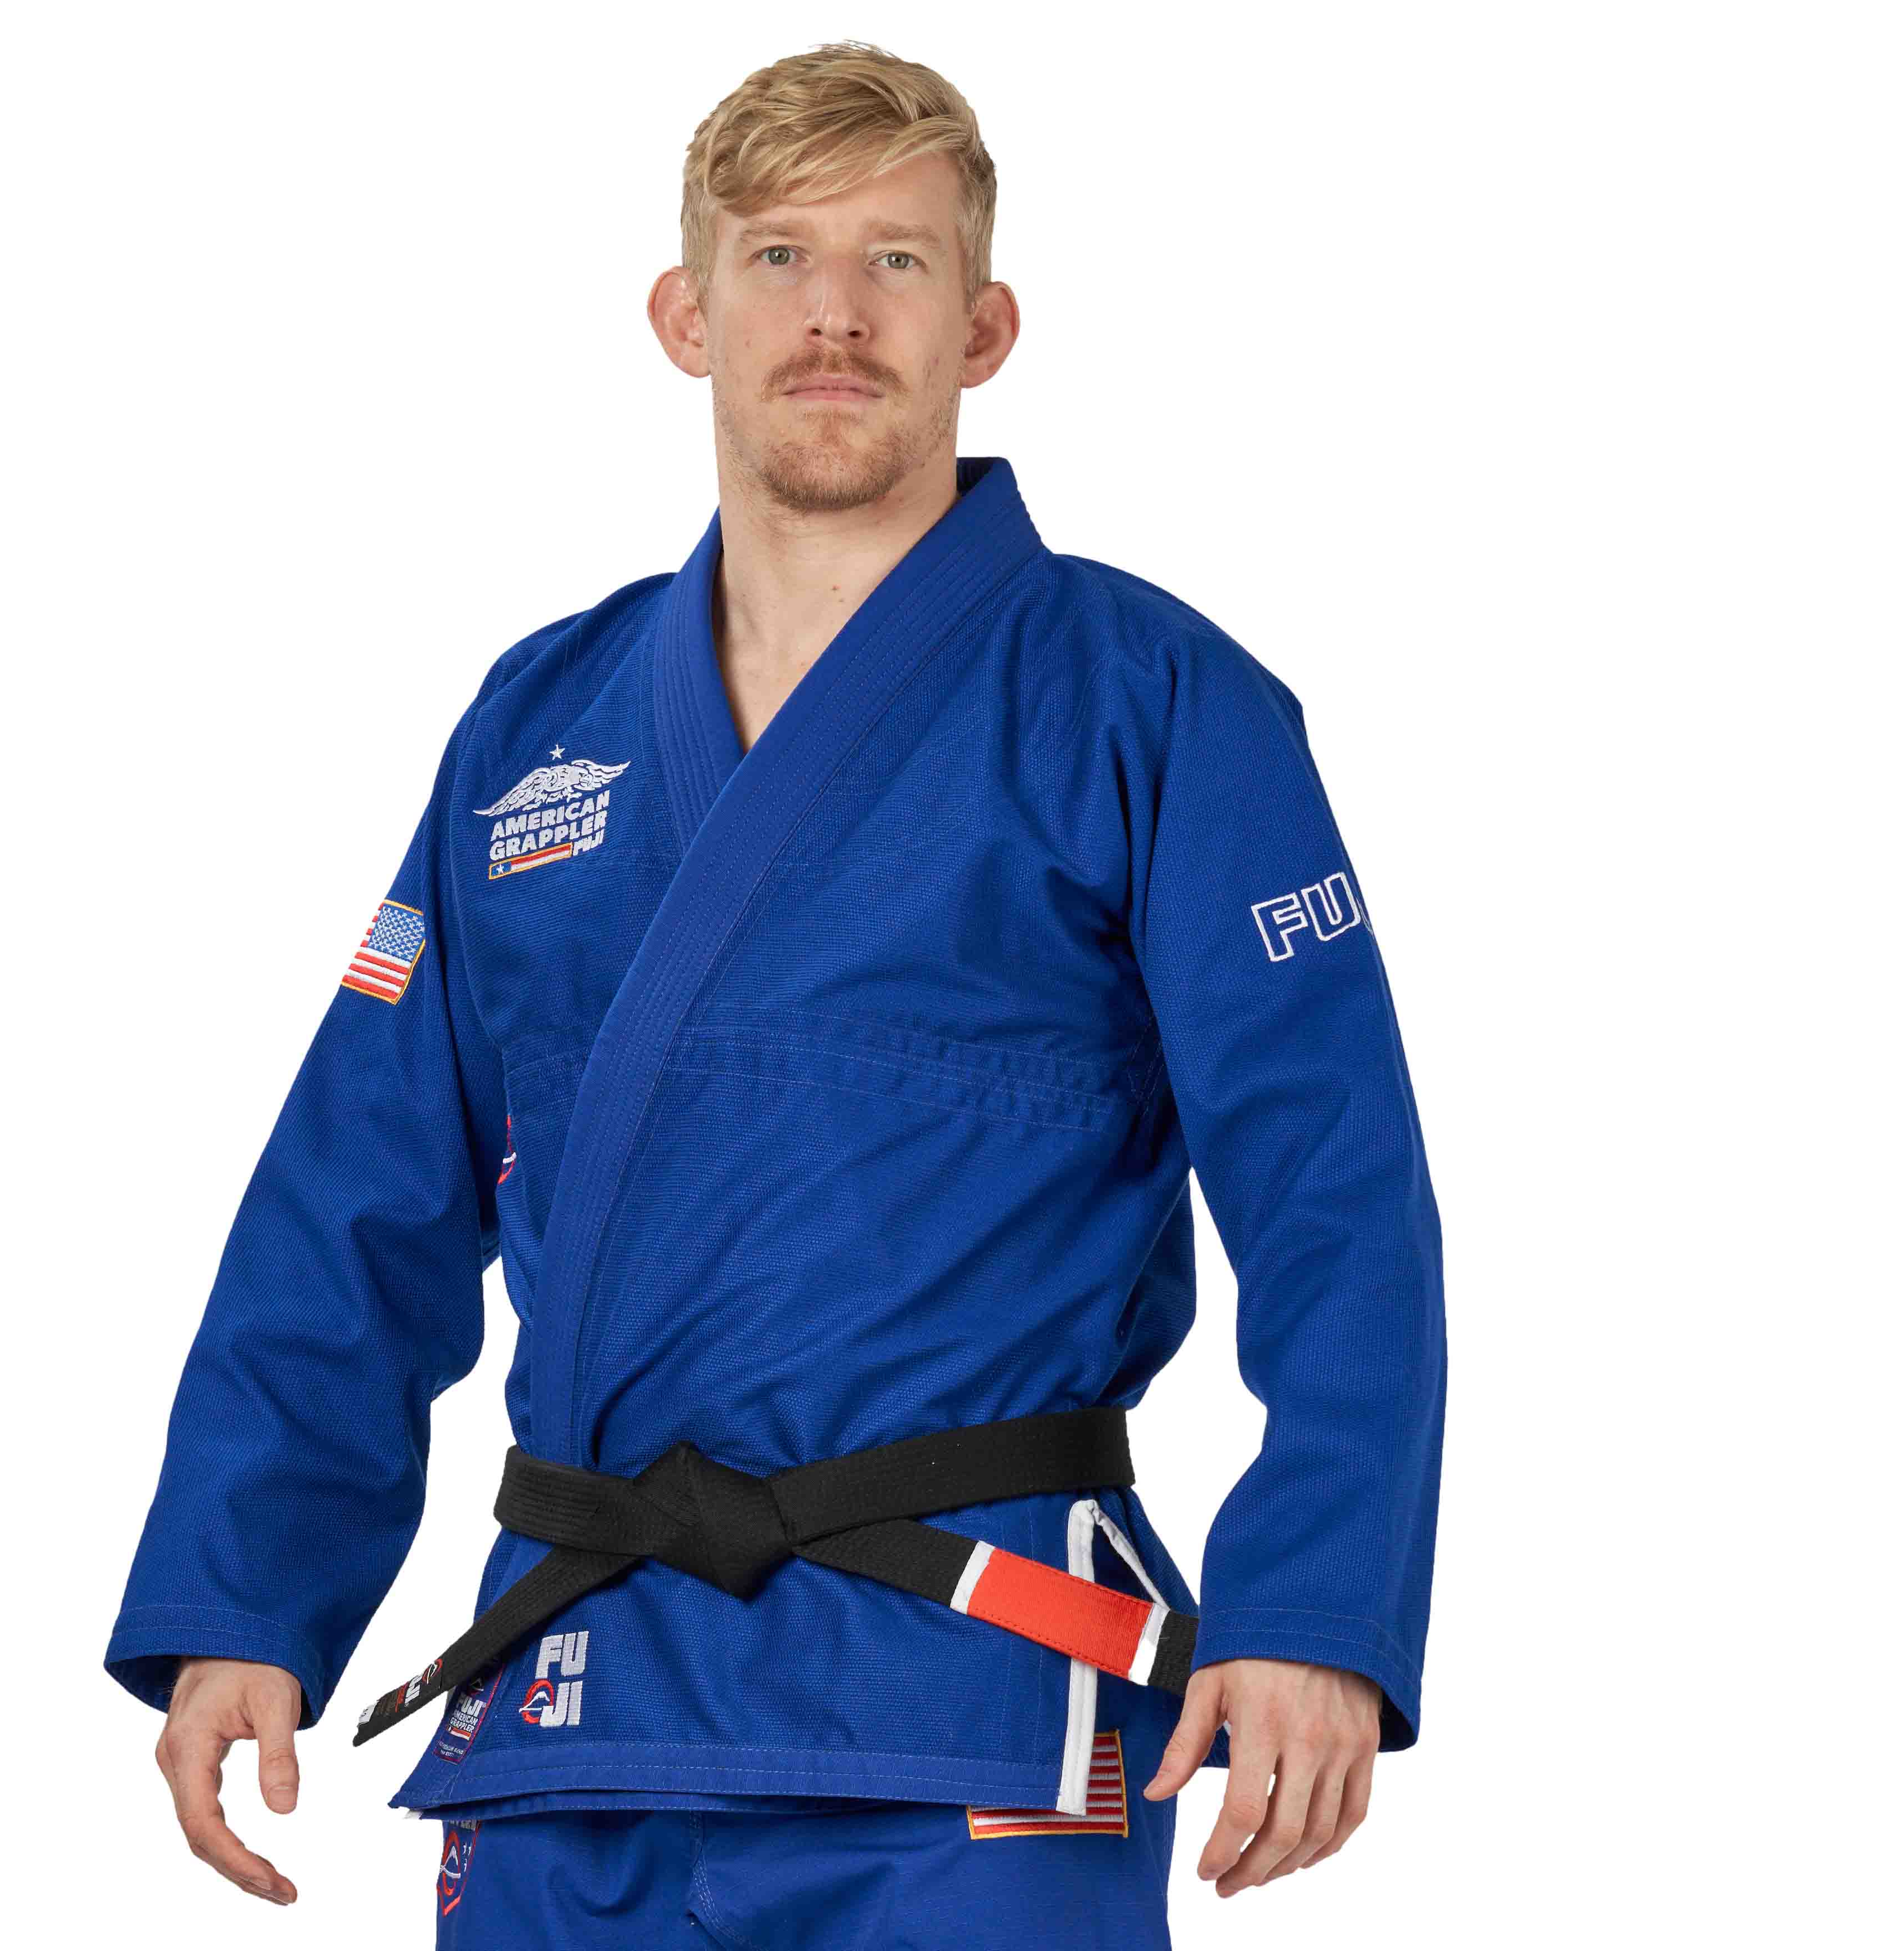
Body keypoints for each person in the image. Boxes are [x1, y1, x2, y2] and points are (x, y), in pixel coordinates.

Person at [106, 39, 1445, 1947]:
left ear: (983, 324)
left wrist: (1315, 1607)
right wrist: (247, 1593)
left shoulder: (1150, 701)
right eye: (778, 256)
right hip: (579, 1702)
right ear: (683, 312)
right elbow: (357, 1189)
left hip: (966, 1692)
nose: (834, 313)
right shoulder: (535, 722)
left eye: (896, 263)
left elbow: (1337, 1190)